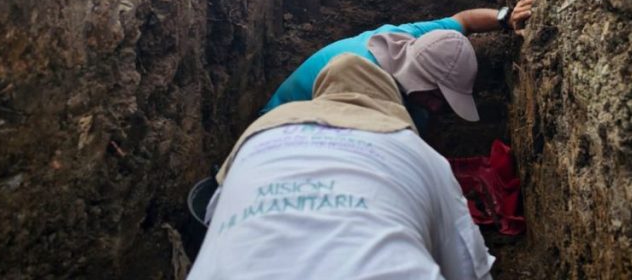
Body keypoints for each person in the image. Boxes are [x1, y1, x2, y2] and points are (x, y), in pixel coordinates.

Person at [188, 53, 495, 280]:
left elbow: (211, 216)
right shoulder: (422, 155)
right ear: (390, 103)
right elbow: (470, 265)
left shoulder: (255, 138)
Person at [263, 0, 536, 130]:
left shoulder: (412, 40)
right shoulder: (359, 79)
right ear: (418, 80)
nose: (440, 108)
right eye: (437, 96)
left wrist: (506, 18)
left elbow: (464, 20)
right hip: (281, 130)